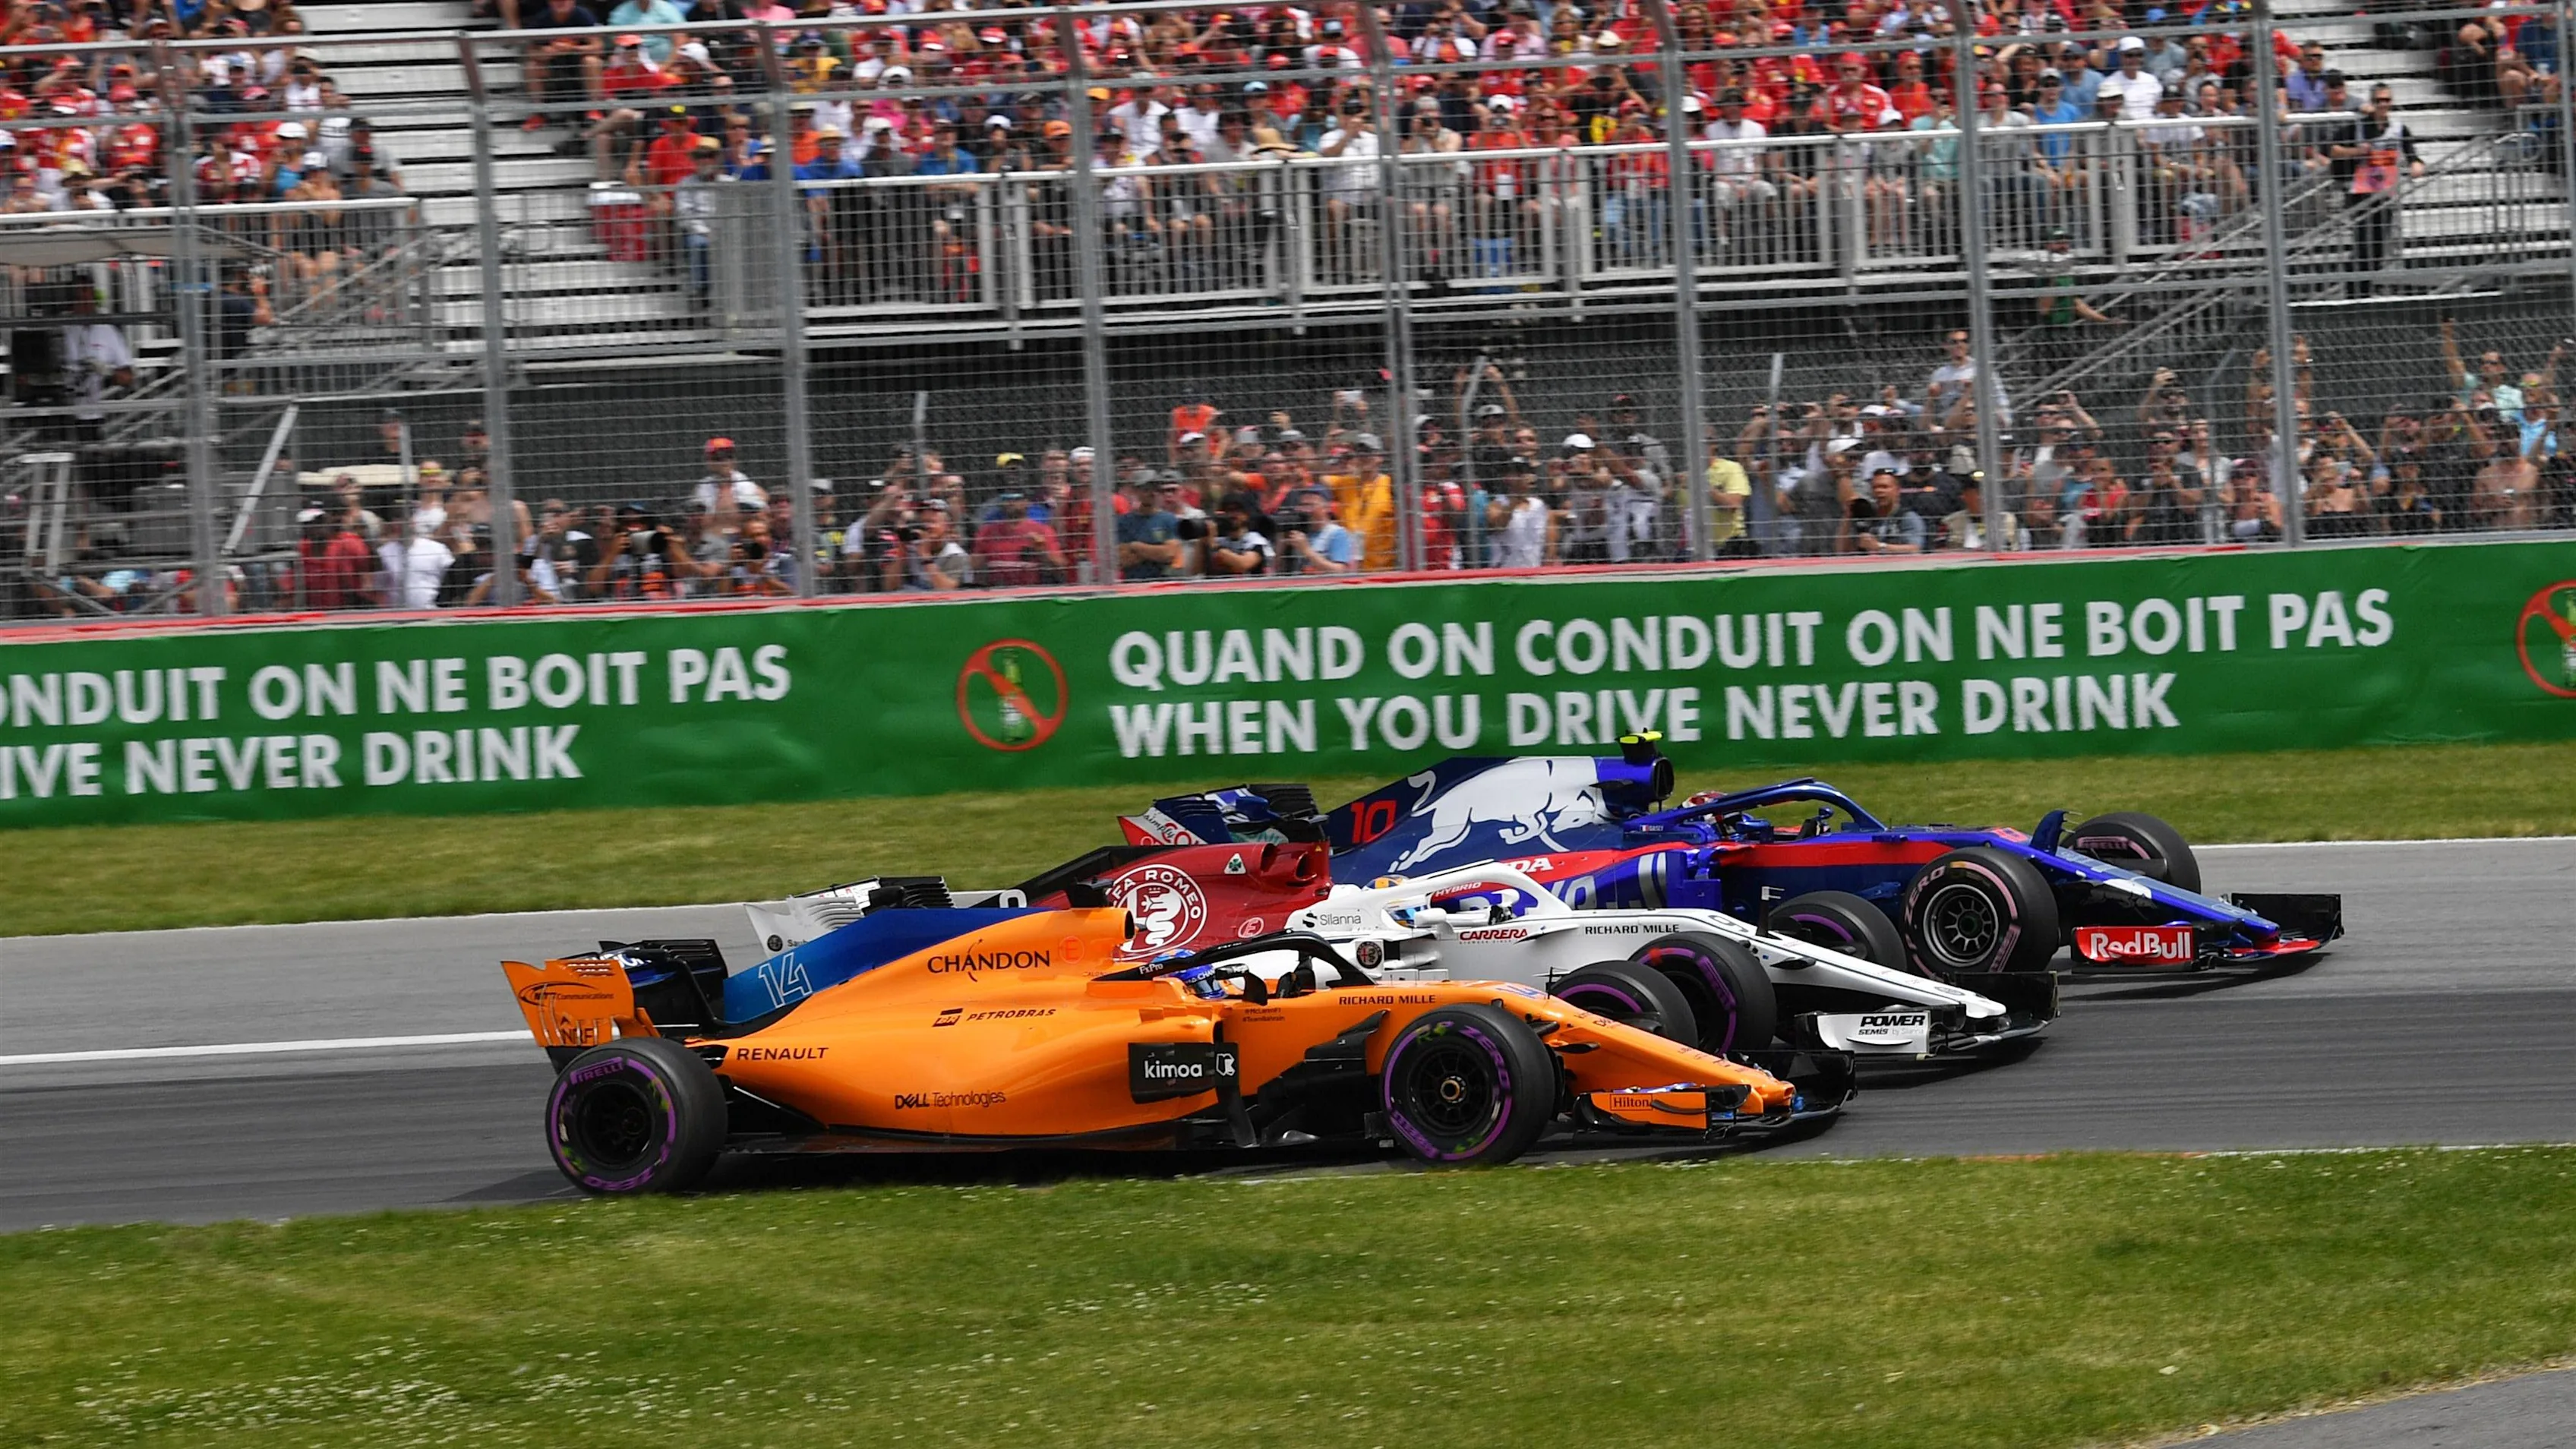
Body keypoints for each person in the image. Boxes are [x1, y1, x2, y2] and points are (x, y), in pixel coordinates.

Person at [1322, 432, 1396, 570]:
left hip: (1381, 570)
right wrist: (1326, 446)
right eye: (1359, 452)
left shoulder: (1390, 484)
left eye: (1368, 452)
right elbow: (1317, 478)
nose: (1363, 457)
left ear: (1379, 457)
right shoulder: (1345, 483)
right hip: (1350, 568)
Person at [971, 492, 1067, 588]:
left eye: (1016, 499)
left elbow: (1060, 566)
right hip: (996, 590)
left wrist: (1042, 550)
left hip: (1030, 590)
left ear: (1027, 503)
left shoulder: (1042, 531)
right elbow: (976, 566)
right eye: (1006, 500)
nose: (1010, 503)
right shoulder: (987, 532)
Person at [1850, 467, 1925, 554]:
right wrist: (1848, 514)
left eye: (1884, 487)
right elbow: (1843, 550)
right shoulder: (1866, 517)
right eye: (1875, 487)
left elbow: (1915, 549)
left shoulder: (1907, 517)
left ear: (1897, 490)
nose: (1879, 491)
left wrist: (1879, 547)